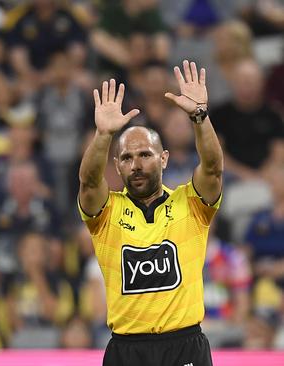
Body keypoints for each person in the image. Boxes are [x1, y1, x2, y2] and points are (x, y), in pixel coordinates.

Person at [78, 60, 223, 365]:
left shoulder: (191, 204)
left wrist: (199, 116)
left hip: (185, 344)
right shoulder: (106, 213)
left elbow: (212, 168)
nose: (137, 164)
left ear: (164, 158)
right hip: (127, 349)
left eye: (145, 154)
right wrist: (103, 135)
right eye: (128, 157)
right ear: (118, 165)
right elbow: (89, 182)